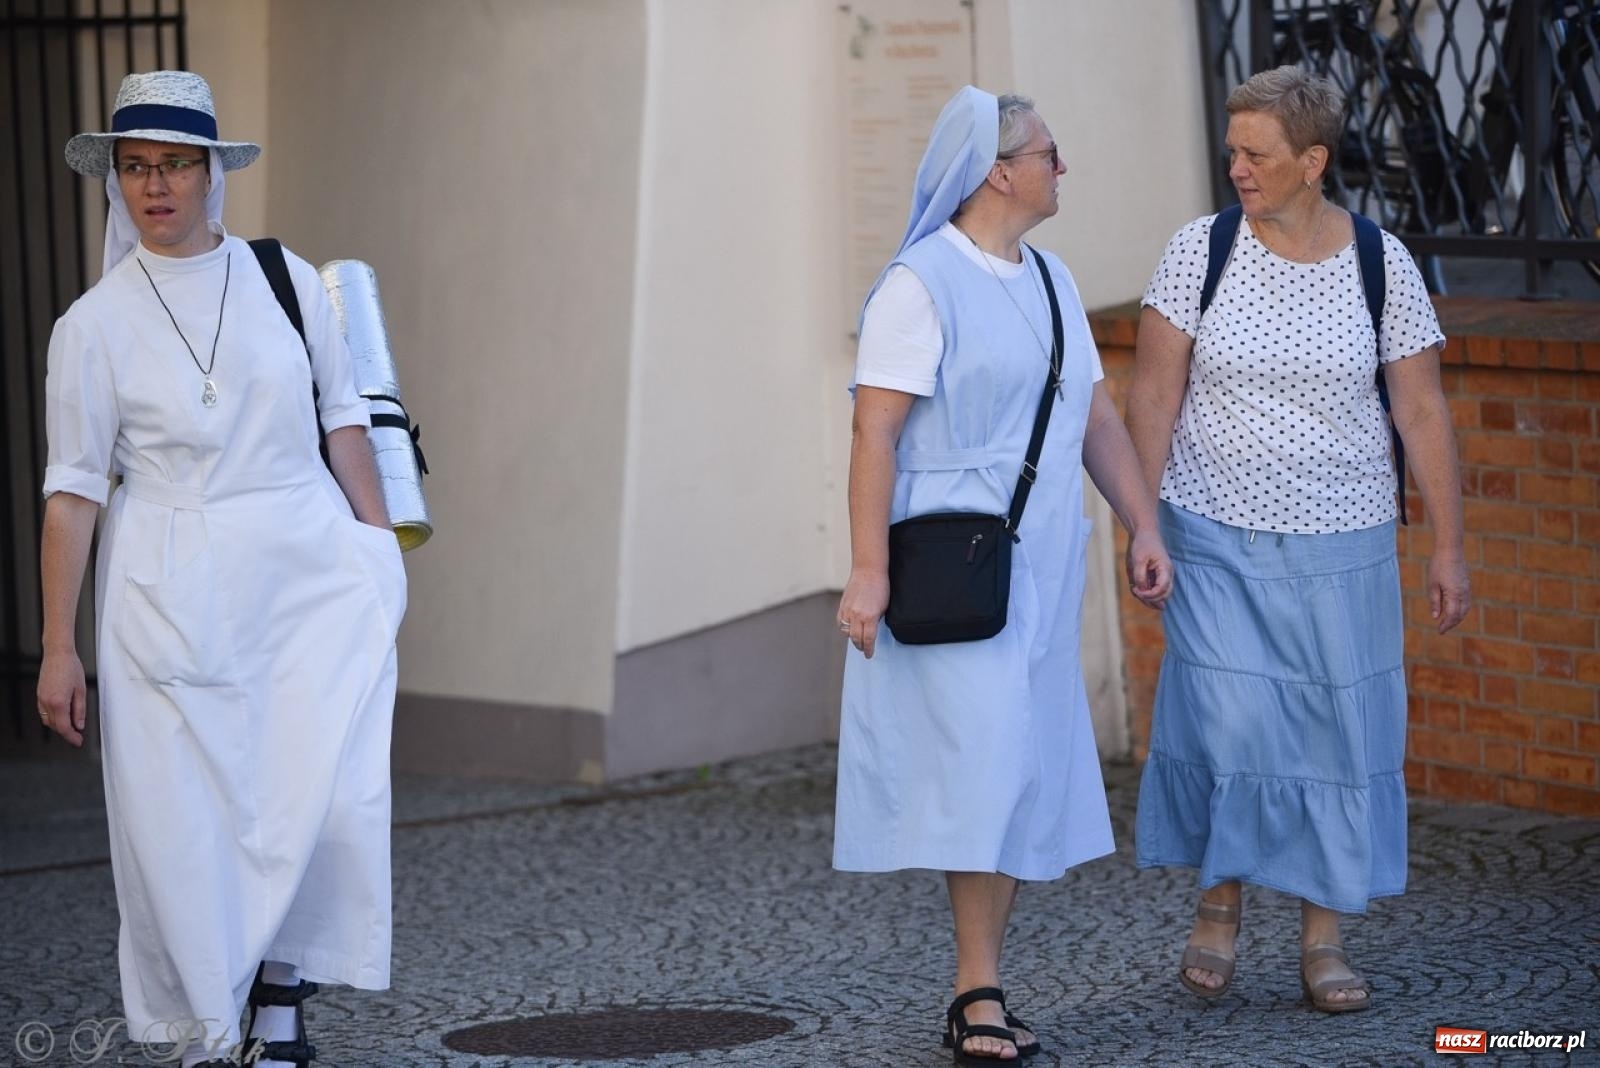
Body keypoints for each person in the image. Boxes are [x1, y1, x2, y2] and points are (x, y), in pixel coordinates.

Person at [36, 71, 405, 1067]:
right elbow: (73, 488)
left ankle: (280, 987)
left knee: (314, 788)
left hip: (304, 567)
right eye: (136, 166)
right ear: (116, 180)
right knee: (183, 820)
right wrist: (55, 648)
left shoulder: (285, 277)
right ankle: (209, 1027)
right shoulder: (92, 327)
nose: (155, 185)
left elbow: (343, 416)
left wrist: (378, 552)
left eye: (175, 164)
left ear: (212, 174)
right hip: (165, 588)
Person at [832, 86, 1172, 1063]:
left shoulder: (1053, 279)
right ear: (998, 168)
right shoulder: (920, 284)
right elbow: (875, 430)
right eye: (1049, 152)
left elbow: (1094, 420)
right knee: (981, 766)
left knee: (1017, 768)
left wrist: (1140, 523)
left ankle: (983, 982)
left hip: (1043, 563)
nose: (1061, 167)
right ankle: (974, 989)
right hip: (952, 563)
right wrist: (865, 571)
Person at [1127, 66, 1470, 1013]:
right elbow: (1152, 392)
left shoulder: (1381, 261)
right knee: (1231, 725)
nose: (1236, 166)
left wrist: (1449, 547)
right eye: (1231, 150)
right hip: (1211, 535)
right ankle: (1220, 906)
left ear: (1313, 162)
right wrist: (1142, 521)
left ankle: (1324, 936)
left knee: (1333, 731)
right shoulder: (1198, 252)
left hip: (1343, 540)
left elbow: (1423, 409)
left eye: (1256, 154)